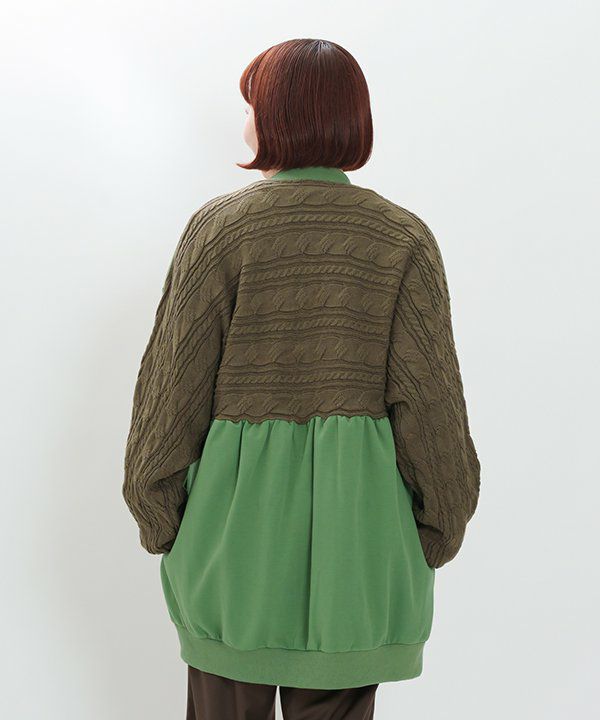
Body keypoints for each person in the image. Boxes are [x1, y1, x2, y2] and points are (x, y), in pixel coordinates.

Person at [122, 37, 481, 720]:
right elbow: (433, 408)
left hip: (232, 554)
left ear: (275, 118)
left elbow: (171, 396)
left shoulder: (219, 231)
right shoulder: (403, 239)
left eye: (251, 107)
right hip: (358, 556)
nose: (245, 122)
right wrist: (439, 525)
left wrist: (160, 517)